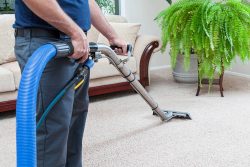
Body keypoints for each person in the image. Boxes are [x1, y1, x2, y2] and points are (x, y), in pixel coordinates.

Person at [14, 0, 127, 166]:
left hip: (76, 45)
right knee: (52, 128)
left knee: (74, 119)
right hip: (47, 42)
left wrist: (112, 36)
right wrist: (75, 32)